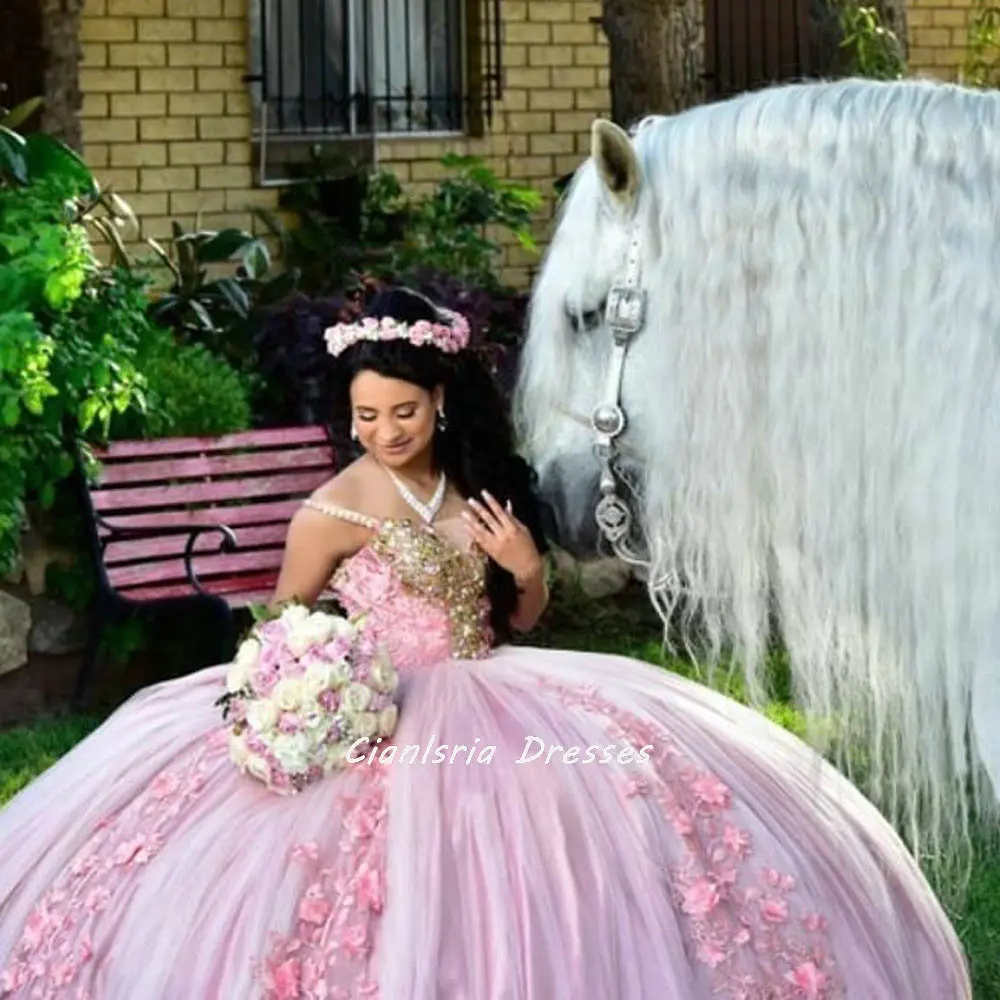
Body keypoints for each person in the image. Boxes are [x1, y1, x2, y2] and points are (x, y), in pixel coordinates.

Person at [0, 287, 971, 999]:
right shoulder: (329, 511)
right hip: (389, 703)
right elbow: (283, 621)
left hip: (496, 682)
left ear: (441, 405)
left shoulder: (472, 489)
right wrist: (310, 682)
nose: (384, 430)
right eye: (366, 415)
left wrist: (526, 567)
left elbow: (516, 620)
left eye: (403, 412)